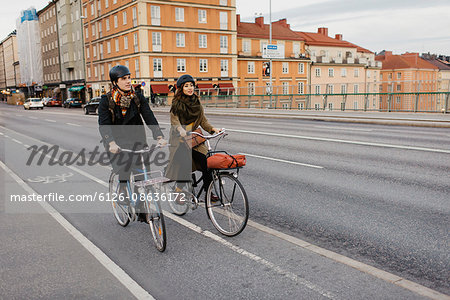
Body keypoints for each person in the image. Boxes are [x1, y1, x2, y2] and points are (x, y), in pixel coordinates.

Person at [98, 65, 167, 221]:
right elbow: (104, 124)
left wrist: (158, 136)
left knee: (142, 177)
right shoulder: (106, 100)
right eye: (124, 79)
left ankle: (142, 209)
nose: (128, 81)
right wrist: (111, 142)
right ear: (115, 82)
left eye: (129, 77)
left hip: (137, 141)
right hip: (116, 144)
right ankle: (122, 192)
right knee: (124, 168)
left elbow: (149, 116)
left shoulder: (137, 97)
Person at [165, 74, 221, 200]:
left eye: (191, 85)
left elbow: (203, 121)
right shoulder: (176, 104)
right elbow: (175, 122)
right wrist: (181, 130)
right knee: (184, 163)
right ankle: (178, 191)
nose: (190, 88)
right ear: (181, 88)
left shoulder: (197, 102)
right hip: (179, 140)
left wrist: (213, 129)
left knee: (207, 162)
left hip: (194, 139)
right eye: (186, 86)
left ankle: (208, 191)